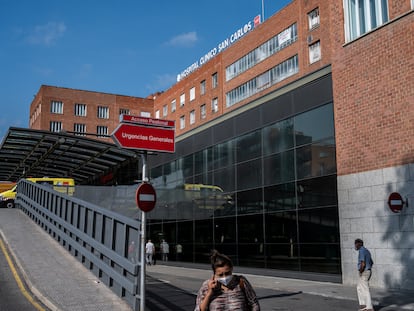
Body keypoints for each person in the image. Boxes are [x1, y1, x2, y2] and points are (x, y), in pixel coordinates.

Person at [194, 250, 260, 311]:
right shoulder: (206, 286)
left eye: (227, 273)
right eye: (220, 275)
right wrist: (209, 293)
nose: (224, 277)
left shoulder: (241, 282)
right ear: (214, 273)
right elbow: (199, 309)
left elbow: (254, 303)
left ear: (231, 269)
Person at [355, 238, 374, 311]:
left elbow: (363, 263)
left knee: (365, 289)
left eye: (355, 244)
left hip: (364, 271)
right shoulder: (367, 251)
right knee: (359, 287)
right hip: (367, 271)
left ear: (358, 244)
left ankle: (369, 307)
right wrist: (368, 268)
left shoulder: (362, 251)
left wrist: (361, 270)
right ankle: (363, 305)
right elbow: (371, 262)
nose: (355, 246)